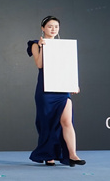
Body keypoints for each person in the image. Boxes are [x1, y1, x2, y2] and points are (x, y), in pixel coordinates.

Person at [27, 15, 85, 166]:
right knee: (47, 123)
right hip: (45, 90)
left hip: (62, 89)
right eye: (50, 26)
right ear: (43, 28)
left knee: (67, 121)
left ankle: (72, 154)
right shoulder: (35, 44)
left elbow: (69, 67)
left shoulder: (64, 46)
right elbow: (40, 65)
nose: (53, 29)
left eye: (56, 27)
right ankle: (49, 154)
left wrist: (73, 83)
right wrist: (42, 47)